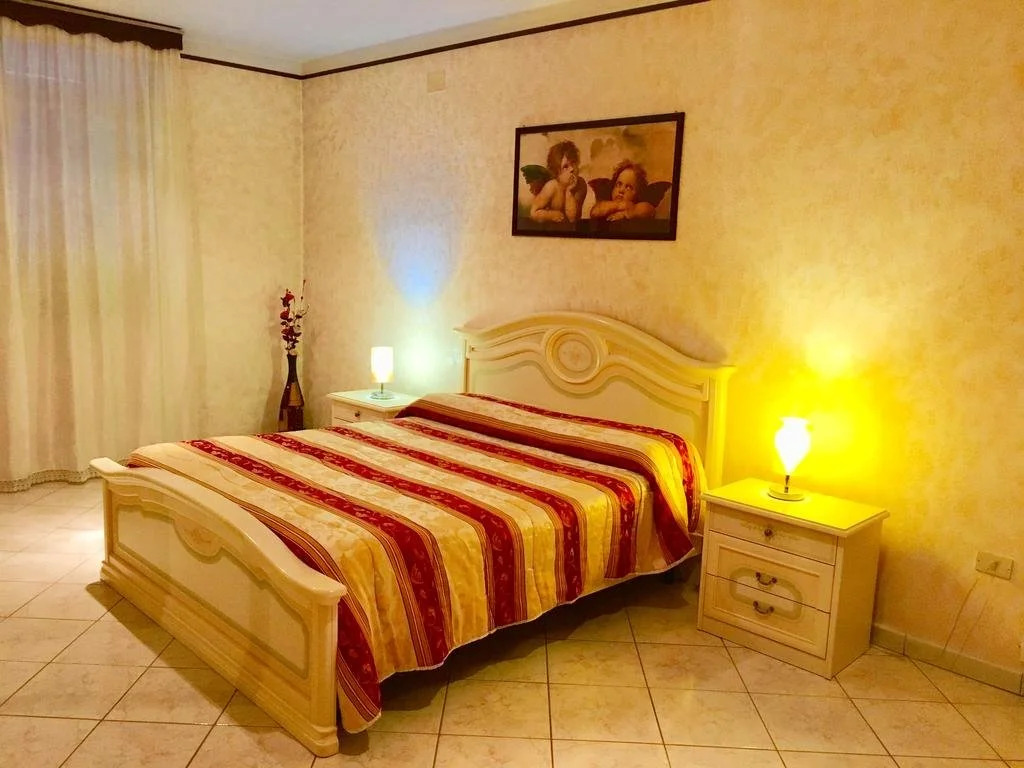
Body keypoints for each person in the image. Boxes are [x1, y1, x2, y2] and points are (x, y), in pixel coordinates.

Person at [529, 140, 587, 224]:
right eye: (565, 167)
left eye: (573, 163)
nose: (572, 169)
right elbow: (533, 212)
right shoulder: (551, 187)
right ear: (556, 173)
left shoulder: (581, 184)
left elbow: (572, 218)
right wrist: (550, 215)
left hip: (570, 229)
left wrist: (569, 192)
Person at [589, 159, 657, 222]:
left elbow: (650, 210)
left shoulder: (638, 207)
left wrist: (627, 213)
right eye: (618, 184)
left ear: (637, 194)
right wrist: (619, 205)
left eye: (628, 187)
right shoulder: (606, 204)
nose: (621, 190)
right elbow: (594, 212)